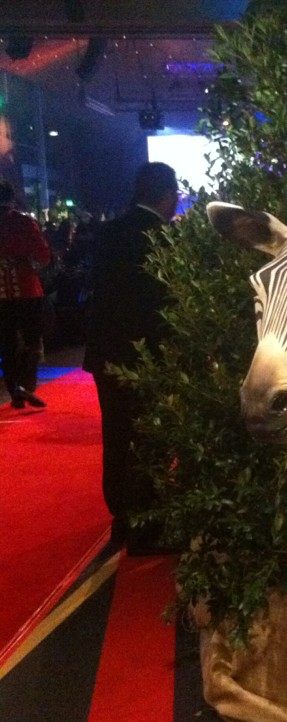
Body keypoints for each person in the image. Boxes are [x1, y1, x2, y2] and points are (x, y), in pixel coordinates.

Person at [82, 162, 178, 554]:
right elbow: (164, 306)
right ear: (167, 196)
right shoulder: (162, 238)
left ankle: (121, 517)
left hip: (105, 354)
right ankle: (145, 526)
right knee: (148, 438)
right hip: (145, 358)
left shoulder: (107, 233)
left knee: (117, 435)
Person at [0, 178, 51, 409]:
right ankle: (26, 384)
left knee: (7, 344)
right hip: (27, 287)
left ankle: (15, 392)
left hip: (1, 294)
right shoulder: (24, 222)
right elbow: (43, 255)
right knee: (33, 340)